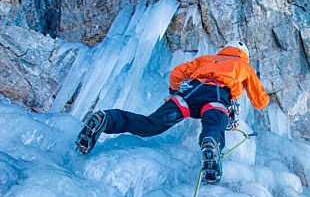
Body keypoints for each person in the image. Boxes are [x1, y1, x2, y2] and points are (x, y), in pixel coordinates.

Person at [75, 41, 270, 184]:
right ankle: (210, 145)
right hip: (216, 96)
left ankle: (107, 119)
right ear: (244, 55)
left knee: (151, 125)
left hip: (188, 94)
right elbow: (260, 100)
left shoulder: (207, 59)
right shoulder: (243, 66)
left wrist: (175, 93)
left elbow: (177, 72)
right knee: (214, 124)